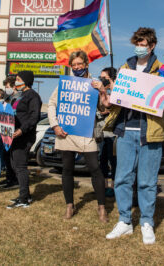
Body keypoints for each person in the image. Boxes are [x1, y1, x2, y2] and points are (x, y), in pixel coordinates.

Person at [97, 27, 164, 244]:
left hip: (150, 133)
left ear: (152, 46)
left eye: (143, 44)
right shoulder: (125, 67)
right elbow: (118, 99)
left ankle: (147, 222)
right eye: (137, 43)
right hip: (125, 130)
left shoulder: (162, 69)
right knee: (121, 178)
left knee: (147, 181)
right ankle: (124, 221)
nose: (139, 47)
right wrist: (107, 97)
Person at [48, 50, 108, 222]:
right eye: (73, 65)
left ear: (86, 64)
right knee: (67, 169)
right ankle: (69, 205)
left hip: (86, 133)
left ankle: (102, 207)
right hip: (66, 132)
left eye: (79, 64)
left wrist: (102, 90)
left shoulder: (94, 83)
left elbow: (105, 109)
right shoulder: (64, 83)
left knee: (95, 168)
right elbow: (52, 104)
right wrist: (55, 125)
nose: (76, 67)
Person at [7, 71, 42, 209]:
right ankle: (25, 194)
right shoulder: (19, 95)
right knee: (14, 164)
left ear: (26, 81)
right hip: (13, 135)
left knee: (20, 167)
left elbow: (34, 117)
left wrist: (21, 130)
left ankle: (23, 199)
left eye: (18, 79)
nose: (16, 82)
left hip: (24, 135)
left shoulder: (33, 96)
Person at [0, 76, 20, 189]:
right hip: (6, 131)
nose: (6, 89)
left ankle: (14, 180)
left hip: (14, 131)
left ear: (14, 86)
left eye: (7, 87)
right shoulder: (9, 98)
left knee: (12, 158)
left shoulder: (19, 98)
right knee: (6, 156)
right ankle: (9, 178)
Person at [98, 67, 117, 197]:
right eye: (101, 77)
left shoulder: (116, 91)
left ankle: (113, 186)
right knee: (102, 159)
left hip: (113, 133)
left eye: (104, 78)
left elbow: (115, 107)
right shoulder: (100, 91)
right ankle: (104, 186)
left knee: (114, 160)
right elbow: (99, 107)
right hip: (101, 132)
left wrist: (108, 109)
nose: (102, 80)